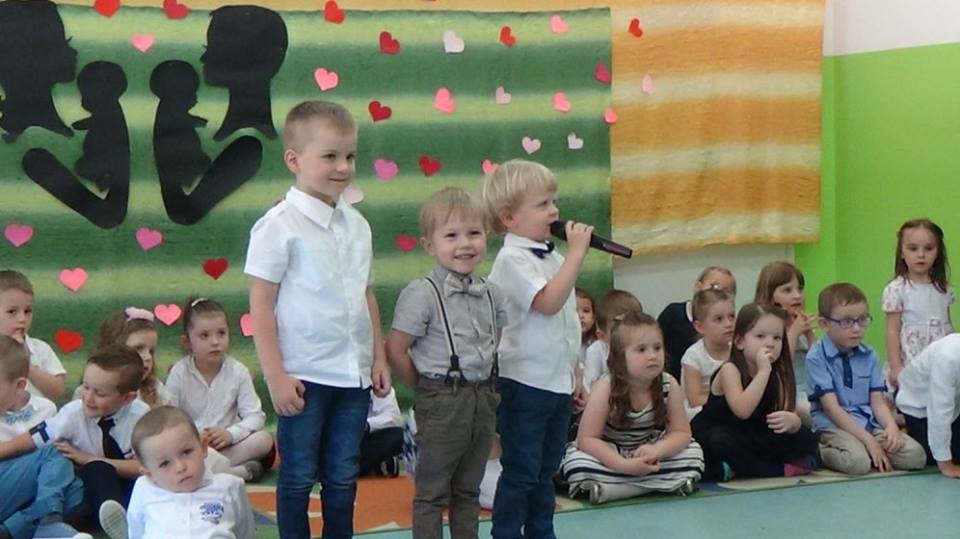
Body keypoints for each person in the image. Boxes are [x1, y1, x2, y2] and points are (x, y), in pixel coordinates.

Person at [245, 100, 390, 539]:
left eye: (350, 156)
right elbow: (260, 306)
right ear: (294, 160)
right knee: (297, 476)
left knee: (343, 476)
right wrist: (275, 376)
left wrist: (377, 357)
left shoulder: (358, 225)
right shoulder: (278, 225)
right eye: (330, 156)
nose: (343, 167)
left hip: (352, 377)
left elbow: (365, 293)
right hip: (303, 376)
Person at [480, 159, 592, 538]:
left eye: (554, 201)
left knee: (546, 469)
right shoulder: (512, 260)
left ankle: (542, 532)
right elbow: (547, 303)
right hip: (525, 384)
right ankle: (507, 533)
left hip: (556, 382)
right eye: (543, 204)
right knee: (522, 470)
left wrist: (575, 374)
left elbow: (567, 326)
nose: (555, 211)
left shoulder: (555, 258)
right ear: (508, 217)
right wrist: (577, 254)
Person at [387, 187, 506, 538]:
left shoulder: (492, 292)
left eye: (474, 233)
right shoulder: (422, 293)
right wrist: (425, 387)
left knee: (468, 489)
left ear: (487, 236)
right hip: (441, 398)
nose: (464, 244)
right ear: (429, 245)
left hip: (482, 396)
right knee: (432, 492)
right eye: (451, 236)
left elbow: (496, 338)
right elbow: (397, 348)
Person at [0, 345, 148, 538]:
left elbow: (146, 467)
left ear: (127, 398)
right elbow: (35, 438)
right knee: (61, 458)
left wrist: (88, 459)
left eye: (100, 394)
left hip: (120, 486)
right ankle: (43, 524)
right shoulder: (72, 413)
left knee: (87, 478)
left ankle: (26, 528)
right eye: (85, 387)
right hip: (86, 485)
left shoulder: (141, 417)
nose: (88, 397)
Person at [560, 312, 703, 504]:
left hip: (646, 450)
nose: (652, 356)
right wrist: (624, 465)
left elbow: (681, 433)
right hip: (610, 454)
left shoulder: (669, 384)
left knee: (694, 454)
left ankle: (617, 489)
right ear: (620, 358)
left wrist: (657, 451)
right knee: (577, 464)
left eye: (657, 348)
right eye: (641, 350)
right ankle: (654, 484)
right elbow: (587, 439)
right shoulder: (606, 387)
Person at [806, 283, 925, 475]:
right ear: (824, 324)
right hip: (834, 426)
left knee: (916, 456)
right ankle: (818, 450)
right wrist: (869, 441)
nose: (857, 328)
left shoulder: (870, 355)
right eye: (846, 322)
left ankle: (869, 451)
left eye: (862, 320)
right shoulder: (816, 356)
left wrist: (891, 427)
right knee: (857, 463)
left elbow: (878, 403)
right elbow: (831, 409)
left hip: (867, 423)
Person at [692, 303, 818, 481]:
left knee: (805, 437)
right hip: (725, 430)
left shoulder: (779, 372)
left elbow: (785, 411)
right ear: (740, 341)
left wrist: (794, 422)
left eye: (777, 338)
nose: (770, 343)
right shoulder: (730, 370)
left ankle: (740, 468)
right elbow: (742, 411)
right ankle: (773, 469)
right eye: (760, 336)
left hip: (756, 432)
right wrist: (763, 372)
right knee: (720, 440)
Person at [165, 297, 275, 482]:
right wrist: (195, 437)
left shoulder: (238, 371)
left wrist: (230, 435)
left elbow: (255, 416)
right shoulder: (179, 373)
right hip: (192, 447)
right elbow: (170, 417)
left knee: (264, 440)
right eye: (204, 336)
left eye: (221, 333)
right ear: (187, 341)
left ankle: (203, 471)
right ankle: (238, 472)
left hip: (228, 447)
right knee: (166, 446)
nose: (215, 342)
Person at [112, 406, 255, 539]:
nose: (180, 467)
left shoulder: (229, 486)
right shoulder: (144, 488)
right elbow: (136, 530)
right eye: (164, 464)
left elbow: (244, 531)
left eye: (186, 452)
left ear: (203, 447)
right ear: (149, 474)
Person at [0, 336, 87, 539]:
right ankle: (47, 523)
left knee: (77, 489)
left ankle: (13, 530)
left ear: (19, 385)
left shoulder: (45, 409)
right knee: (52, 452)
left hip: (29, 493)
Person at [883, 218, 953, 387]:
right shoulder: (897, 288)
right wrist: (895, 366)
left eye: (928, 248)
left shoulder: (942, 288)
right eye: (913, 248)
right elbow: (892, 330)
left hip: (940, 354)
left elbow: (948, 323)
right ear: (902, 252)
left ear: (937, 252)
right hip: (912, 356)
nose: (921, 255)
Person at [896, 334, 960, 478]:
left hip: (954, 404)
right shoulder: (947, 358)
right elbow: (939, 412)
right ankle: (903, 427)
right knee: (934, 455)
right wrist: (946, 465)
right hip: (916, 404)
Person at [658, 266, 736, 379]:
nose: (719, 293)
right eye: (714, 286)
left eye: (727, 291)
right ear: (698, 286)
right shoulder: (673, 312)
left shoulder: (729, 333)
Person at [0, 270, 66, 400]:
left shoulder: (41, 349)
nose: (22, 319)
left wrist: (26, 365)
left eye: (27, 311)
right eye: (12, 311)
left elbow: (58, 391)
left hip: (37, 413)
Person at [681, 288, 735, 419]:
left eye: (732, 316)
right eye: (719, 319)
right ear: (700, 327)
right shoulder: (693, 356)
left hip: (732, 405)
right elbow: (695, 399)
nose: (729, 324)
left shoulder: (738, 349)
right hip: (701, 411)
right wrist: (729, 401)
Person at [581, 290, 643, 393]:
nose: (629, 332)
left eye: (635, 325)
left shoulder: (643, 346)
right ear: (602, 336)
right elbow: (590, 386)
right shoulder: (596, 350)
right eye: (618, 328)